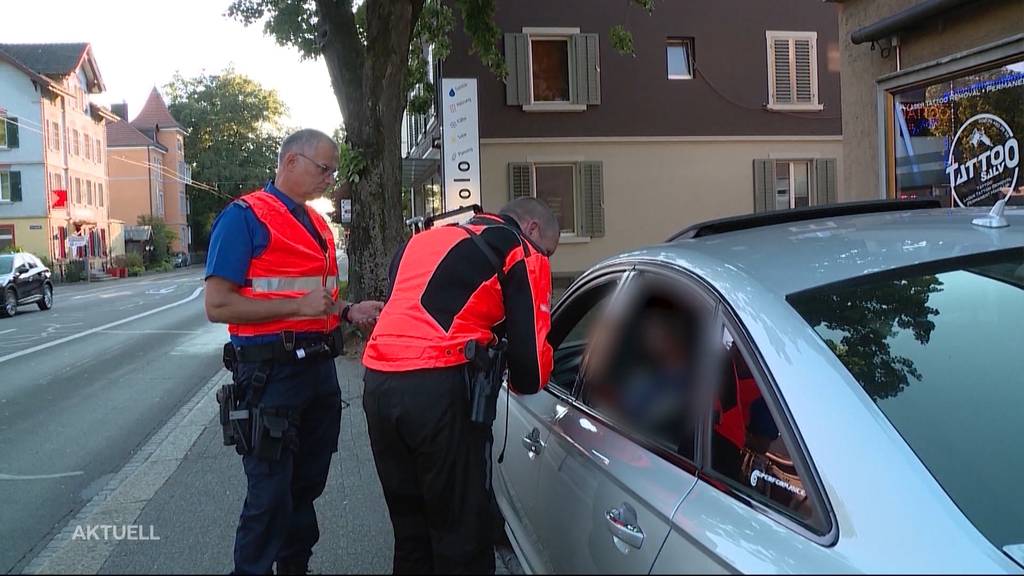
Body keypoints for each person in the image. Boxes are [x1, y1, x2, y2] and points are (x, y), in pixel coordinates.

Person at [204, 128, 383, 575]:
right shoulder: (243, 216)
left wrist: (347, 311)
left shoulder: (318, 223)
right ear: (290, 162)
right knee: (269, 497)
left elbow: (317, 298)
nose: (329, 178)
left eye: (333, 171)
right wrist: (296, 306)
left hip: (317, 372)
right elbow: (217, 304)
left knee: (304, 491)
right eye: (324, 169)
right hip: (270, 377)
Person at [362, 197, 560, 574]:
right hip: (439, 385)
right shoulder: (520, 249)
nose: (545, 258)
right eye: (547, 250)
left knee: (410, 530)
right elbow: (530, 372)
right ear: (532, 229)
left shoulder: (420, 241)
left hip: (378, 383)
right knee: (461, 531)